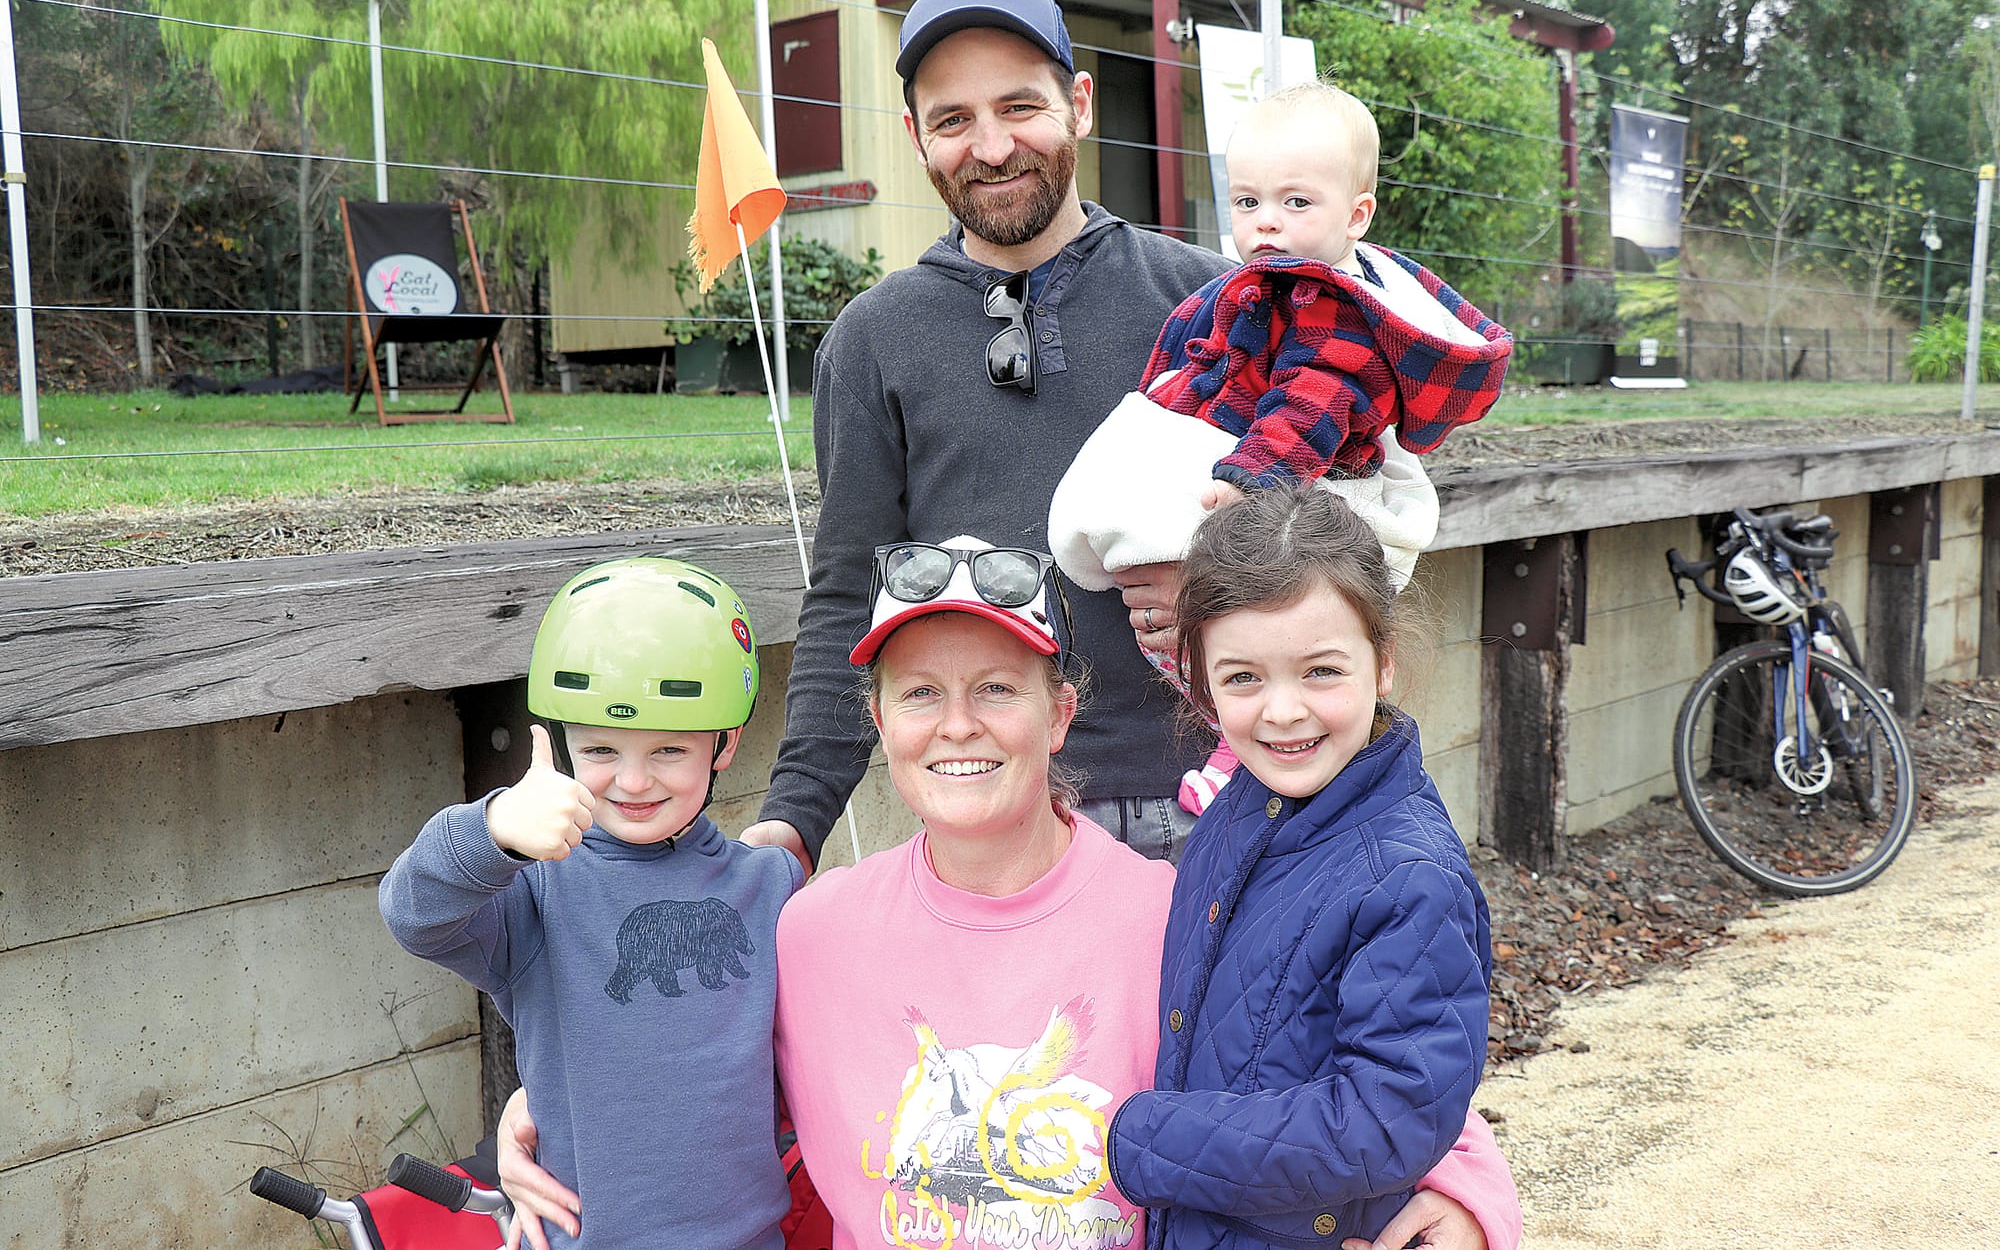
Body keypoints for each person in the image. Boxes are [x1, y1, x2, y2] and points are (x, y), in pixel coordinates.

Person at [496, 538, 1521, 1250]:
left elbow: (1374, 1076)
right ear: (879, 721)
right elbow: (680, 1054)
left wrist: (1473, 1193)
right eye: (920, 694)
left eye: (996, 688)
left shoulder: (1172, 907)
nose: (958, 725)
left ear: (1059, 711)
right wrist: (543, 1102)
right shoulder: (806, 926)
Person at [740, 0, 1237, 872]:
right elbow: (851, 587)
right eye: (953, 120)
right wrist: (795, 818)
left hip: (1213, 798)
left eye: (1020, 107)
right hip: (991, 817)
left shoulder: (1209, 304)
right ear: (915, 137)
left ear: (1079, 103)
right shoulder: (873, 339)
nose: (993, 146)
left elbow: (1315, 532)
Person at [1046, 81, 1512, 809]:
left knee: (1230, 642)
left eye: (1296, 203)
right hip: (1260, 459)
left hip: (1294, 479)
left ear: (1357, 214)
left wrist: (1245, 482)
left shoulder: (1331, 304)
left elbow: (1311, 405)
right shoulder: (1271, 282)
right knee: (1202, 634)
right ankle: (1232, 740)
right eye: (1247, 202)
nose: (1266, 222)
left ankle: (1236, 753)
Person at [1104, 484, 1495, 1248]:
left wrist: (1154, 1141)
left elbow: (1390, 1115)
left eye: (1320, 671)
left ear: (1381, 664)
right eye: (1244, 677)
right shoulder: (1236, 810)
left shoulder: (1410, 876)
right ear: (1202, 680)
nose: (1283, 710)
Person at [379, 557, 803, 1250]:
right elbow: (412, 912)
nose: (633, 780)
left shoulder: (771, 886)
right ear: (563, 737)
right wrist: (491, 832)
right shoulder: (536, 891)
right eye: (602, 747)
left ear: (726, 742)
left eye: (669, 748)